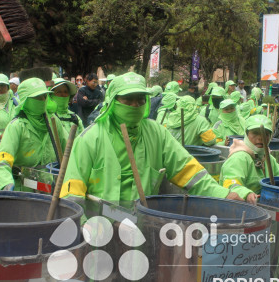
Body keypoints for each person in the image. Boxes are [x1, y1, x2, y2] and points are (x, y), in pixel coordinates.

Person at [59, 72, 244, 213]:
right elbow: (72, 189)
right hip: (98, 232)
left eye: (140, 100)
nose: (135, 105)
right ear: (113, 101)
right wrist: (82, 227)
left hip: (142, 229)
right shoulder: (91, 138)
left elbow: (188, 171)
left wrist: (223, 194)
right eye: (127, 100)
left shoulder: (156, 133)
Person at [0, 78, 57, 191]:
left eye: (44, 96)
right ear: (26, 100)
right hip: (24, 192)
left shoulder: (53, 122)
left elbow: (70, 149)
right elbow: (3, 159)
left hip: (50, 190)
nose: (42, 100)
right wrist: (6, 183)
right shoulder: (17, 126)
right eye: (37, 97)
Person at [220, 115, 279, 203]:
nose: (260, 137)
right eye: (255, 133)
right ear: (247, 135)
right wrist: (247, 195)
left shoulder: (267, 158)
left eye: (265, 134)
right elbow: (230, 184)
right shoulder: (239, 158)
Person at [47, 77, 84, 143]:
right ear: (50, 95)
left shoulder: (75, 117)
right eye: (59, 92)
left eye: (65, 92)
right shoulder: (47, 117)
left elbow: (83, 140)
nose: (63, 94)